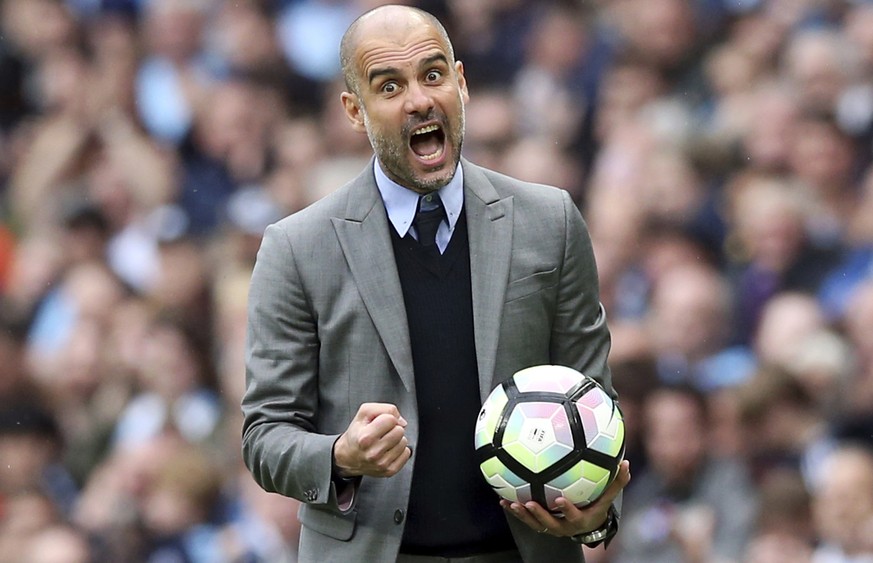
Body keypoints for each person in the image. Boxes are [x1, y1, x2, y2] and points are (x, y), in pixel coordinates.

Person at [241, 5, 629, 563]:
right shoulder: (297, 248)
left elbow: (594, 403)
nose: (420, 99)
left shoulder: (552, 221)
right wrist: (341, 456)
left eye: (433, 74)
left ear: (461, 83)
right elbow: (265, 435)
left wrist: (594, 516)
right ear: (355, 110)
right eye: (390, 85)